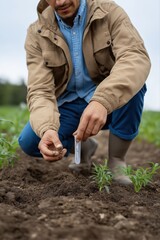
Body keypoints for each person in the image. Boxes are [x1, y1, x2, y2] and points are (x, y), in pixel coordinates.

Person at [19, 0, 151, 184]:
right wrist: (47, 128)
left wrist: (102, 100)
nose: (61, 2)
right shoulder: (37, 32)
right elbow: (40, 89)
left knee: (134, 85)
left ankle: (116, 161)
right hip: (69, 105)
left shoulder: (109, 12)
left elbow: (135, 58)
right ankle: (84, 148)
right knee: (30, 142)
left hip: (108, 101)